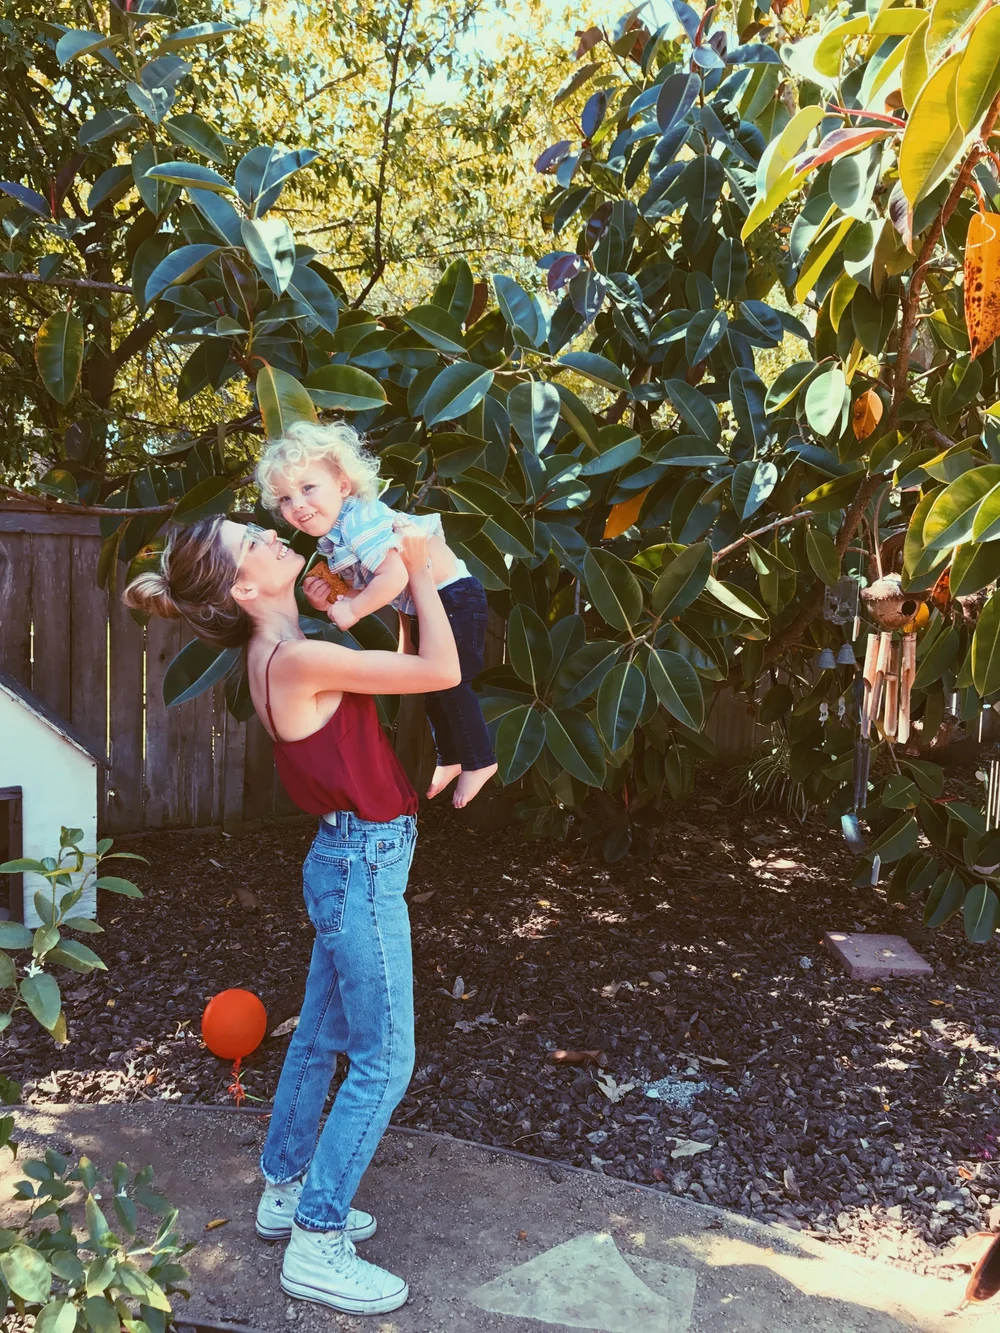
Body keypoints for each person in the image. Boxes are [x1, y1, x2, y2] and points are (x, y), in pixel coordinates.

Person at [123, 514, 460, 1316]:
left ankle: (285, 1185)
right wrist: (417, 568)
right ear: (245, 588)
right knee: (386, 1059)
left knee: (319, 1034)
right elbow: (440, 670)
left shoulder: (278, 650)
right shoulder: (297, 657)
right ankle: (317, 1238)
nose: (272, 536)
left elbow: (392, 669)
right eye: (253, 543)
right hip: (360, 866)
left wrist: (359, 597)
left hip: (345, 859)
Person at [256, 419, 498, 809]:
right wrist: (331, 601)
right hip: (430, 602)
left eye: (307, 488)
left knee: (453, 684)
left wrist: (352, 609)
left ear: (342, 485)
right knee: (434, 689)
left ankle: (481, 761)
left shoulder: (359, 523)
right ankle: (451, 757)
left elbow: (396, 575)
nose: (297, 504)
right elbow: (373, 586)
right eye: (285, 498)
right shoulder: (335, 537)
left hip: (454, 597)